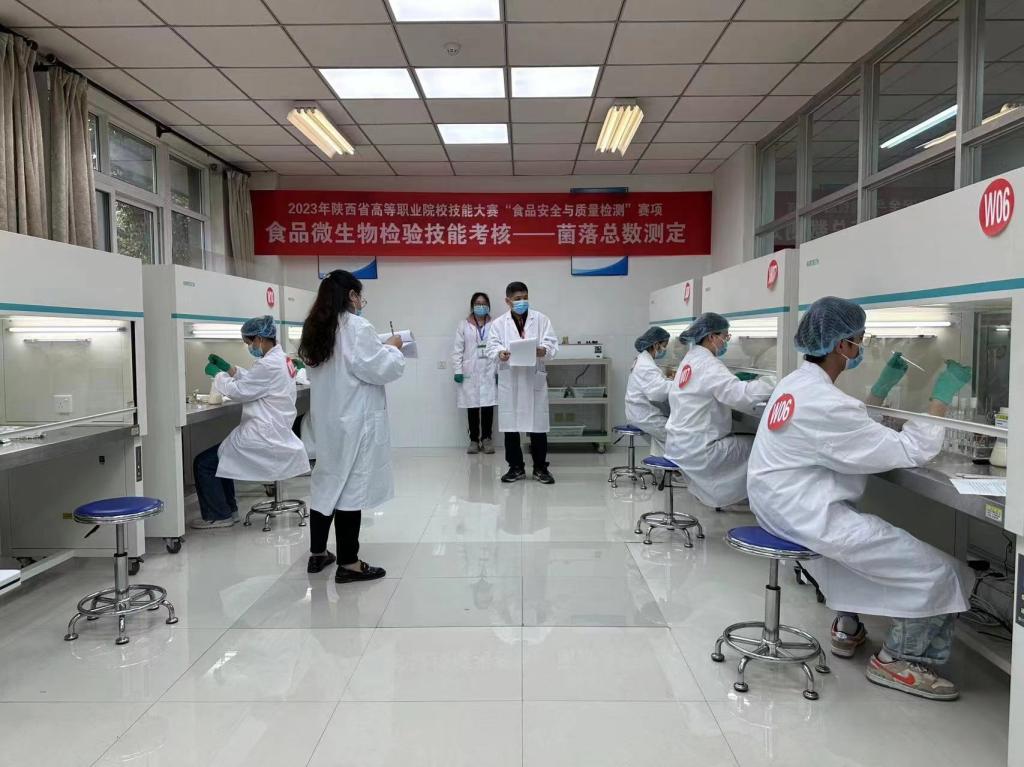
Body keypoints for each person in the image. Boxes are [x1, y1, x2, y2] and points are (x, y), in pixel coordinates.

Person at [747, 296, 973, 701]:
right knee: (941, 572)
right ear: (842, 345)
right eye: (860, 339)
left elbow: (848, 430)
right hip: (810, 515)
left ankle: (847, 626)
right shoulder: (824, 401)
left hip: (780, 507)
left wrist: (881, 391)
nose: (861, 346)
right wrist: (940, 400)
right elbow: (911, 449)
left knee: (864, 554)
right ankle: (897, 661)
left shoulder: (795, 384)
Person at [298, 270, 405, 583]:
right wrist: (394, 347)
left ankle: (318, 553)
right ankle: (349, 563)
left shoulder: (315, 328)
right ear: (351, 296)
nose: (361, 302)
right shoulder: (357, 326)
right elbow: (380, 368)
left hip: (327, 421)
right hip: (354, 421)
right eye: (360, 296)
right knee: (350, 489)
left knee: (326, 482)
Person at [193, 315, 309, 530]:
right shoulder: (282, 359)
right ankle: (229, 511)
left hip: (262, 433)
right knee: (221, 459)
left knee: (204, 464)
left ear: (260, 339)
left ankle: (219, 515)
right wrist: (230, 369)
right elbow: (256, 380)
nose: (249, 347)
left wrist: (218, 376)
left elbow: (240, 391)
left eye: (249, 342)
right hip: (275, 429)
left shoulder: (269, 364)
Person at [665, 312, 774, 509]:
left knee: (747, 440)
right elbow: (741, 396)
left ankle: (743, 494)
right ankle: (763, 502)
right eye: (725, 336)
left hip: (680, 443)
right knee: (764, 446)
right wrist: (773, 383)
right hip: (699, 448)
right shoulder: (708, 364)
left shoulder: (691, 359)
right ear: (711, 337)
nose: (726, 341)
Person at [486, 281, 559, 484]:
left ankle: (540, 468)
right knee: (511, 426)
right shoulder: (499, 324)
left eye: (525, 298)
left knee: (538, 426)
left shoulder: (541, 319)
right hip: (511, 378)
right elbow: (491, 347)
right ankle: (515, 468)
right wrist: (500, 353)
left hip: (533, 377)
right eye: (517, 299)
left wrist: (544, 350)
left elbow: (552, 345)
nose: (522, 302)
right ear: (508, 301)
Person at [452, 291, 498, 454]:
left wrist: (499, 372)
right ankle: (473, 440)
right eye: (478, 303)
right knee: (471, 406)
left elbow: (499, 347)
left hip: (489, 369)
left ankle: (486, 439)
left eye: (484, 303)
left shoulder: (495, 324)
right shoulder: (463, 325)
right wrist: (457, 370)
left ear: (488, 306)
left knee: (487, 406)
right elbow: (458, 350)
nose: (481, 306)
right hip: (470, 371)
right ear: (472, 306)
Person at [625, 326, 672, 455]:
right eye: (664, 346)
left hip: (638, 412)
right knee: (677, 436)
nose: (665, 350)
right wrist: (678, 384)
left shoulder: (643, 359)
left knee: (664, 438)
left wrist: (668, 382)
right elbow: (657, 394)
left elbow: (655, 384)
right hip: (644, 416)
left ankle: (661, 464)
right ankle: (666, 465)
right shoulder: (646, 365)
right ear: (656, 345)